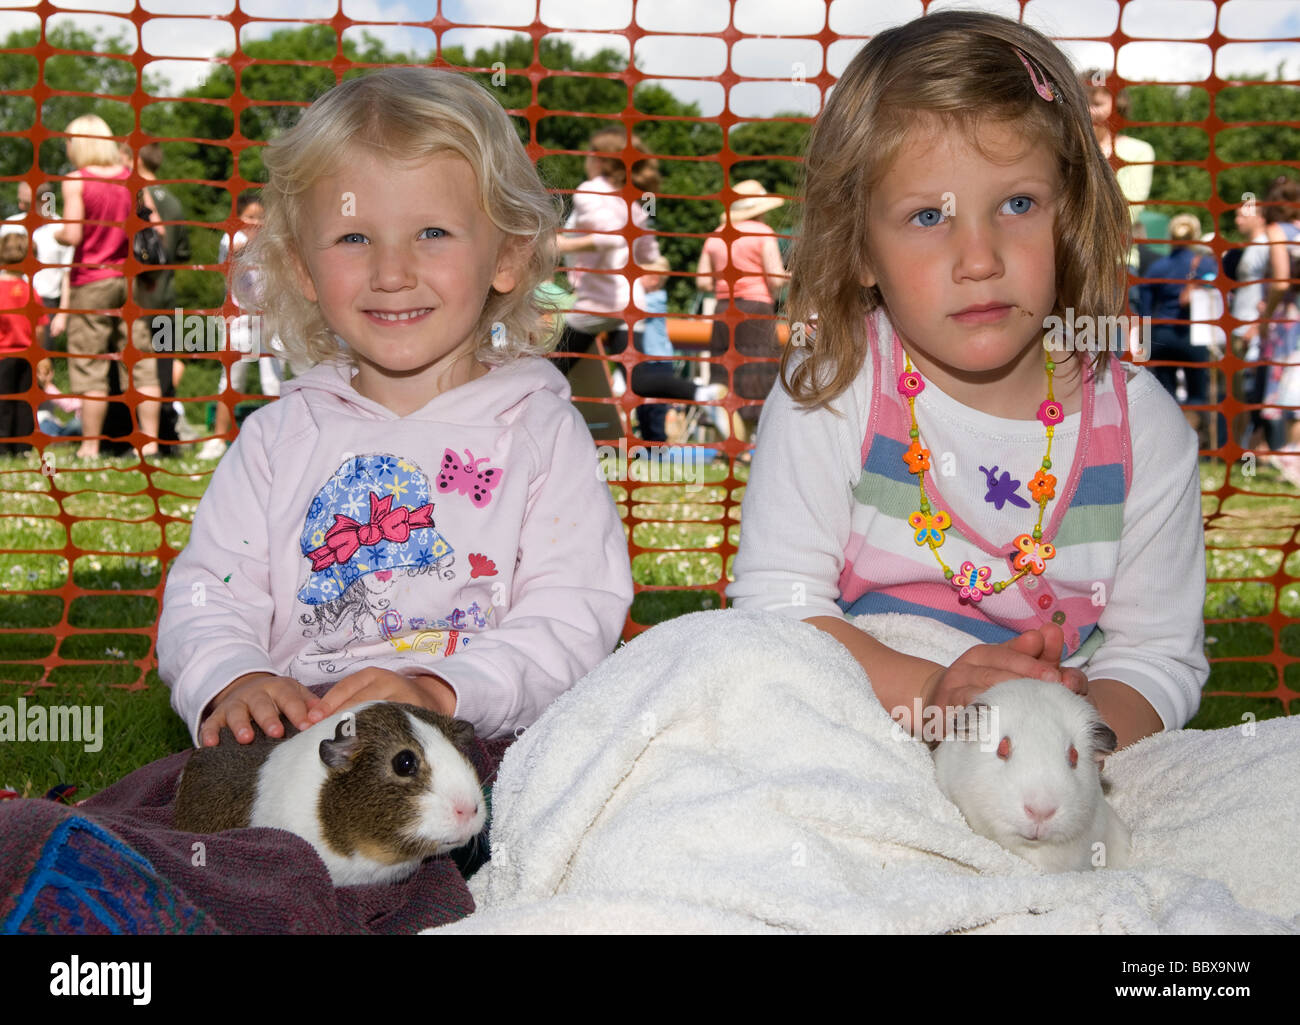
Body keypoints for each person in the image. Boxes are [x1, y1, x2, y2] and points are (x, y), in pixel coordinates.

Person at [727, 11, 1208, 752]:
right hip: (860, 731)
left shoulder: (1143, 428)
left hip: (1052, 758)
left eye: (1017, 204)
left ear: (1070, 215)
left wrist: (1063, 755)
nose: (978, 257)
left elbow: (1155, 655)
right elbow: (776, 610)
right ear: (859, 250)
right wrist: (930, 695)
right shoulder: (834, 388)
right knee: (692, 672)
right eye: (927, 215)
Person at [156, 67, 633, 750]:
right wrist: (235, 678)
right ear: (300, 267)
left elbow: (574, 610)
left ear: (508, 254)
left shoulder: (538, 430)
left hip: (482, 729)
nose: (391, 272)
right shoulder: (276, 439)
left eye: (432, 232)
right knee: (161, 807)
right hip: (305, 734)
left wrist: (444, 689)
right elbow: (209, 594)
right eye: (354, 238)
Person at [553, 126, 725, 441]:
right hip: (630, 303)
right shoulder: (631, 202)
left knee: (550, 368)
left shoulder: (591, 190)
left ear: (599, 160)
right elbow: (651, 253)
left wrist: (557, 246)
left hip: (600, 303)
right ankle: (702, 392)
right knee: (639, 378)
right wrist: (654, 270)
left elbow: (608, 237)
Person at [53, 115, 163, 460]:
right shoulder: (133, 180)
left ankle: (89, 447)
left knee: (90, 365)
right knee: (141, 362)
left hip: (91, 281)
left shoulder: (75, 181)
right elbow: (156, 229)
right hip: (130, 283)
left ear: (80, 144)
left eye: (69, 141)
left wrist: (52, 229)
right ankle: (151, 444)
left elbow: (71, 234)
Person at [695, 179, 789, 442]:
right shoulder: (763, 232)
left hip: (724, 309)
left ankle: (728, 438)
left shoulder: (716, 235)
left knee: (724, 371)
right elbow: (775, 278)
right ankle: (754, 440)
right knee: (757, 370)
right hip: (756, 309)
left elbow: (702, 281)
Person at [202, 188, 287, 460]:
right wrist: (256, 242)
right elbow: (229, 260)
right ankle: (217, 439)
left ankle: (281, 440)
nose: (255, 222)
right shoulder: (232, 238)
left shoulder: (274, 240)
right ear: (238, 217)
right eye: (249, 217)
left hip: (272, 319)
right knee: (230, 380)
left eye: (261, 217)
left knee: (274, 383)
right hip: (239, 321)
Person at [132, 141, 192, 456]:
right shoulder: (175, 203)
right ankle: (168, 438)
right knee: (164, 372)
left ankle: (141, 438)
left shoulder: (135, 196)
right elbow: (182, 253)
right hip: (167, 296)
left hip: (140, 294)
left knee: (139, 370)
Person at [1136, 213, 1210, 434]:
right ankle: (1194, 438)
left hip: (1163, 336)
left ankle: (1171, 440)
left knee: (1166, 393)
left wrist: (1144, 342)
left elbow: (1145, 310)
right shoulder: (1205, 264)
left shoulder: (1158, 267)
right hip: (1195, 336)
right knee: (1197, 393)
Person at [0, 231, 34, 454]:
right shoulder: (29, 288)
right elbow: (39, 322)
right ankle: (23, 447)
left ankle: (3, 447)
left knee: (3, 403)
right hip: (28, 353)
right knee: (25, 403)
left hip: (3, 354)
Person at [28, 183, 73, 349]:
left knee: (43, 362)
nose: (22, 207)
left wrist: (62, 314)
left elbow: (67, 275)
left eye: (28, 204)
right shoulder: (13, 225)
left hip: (46, 303)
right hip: (15, 299)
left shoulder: (62, 229)